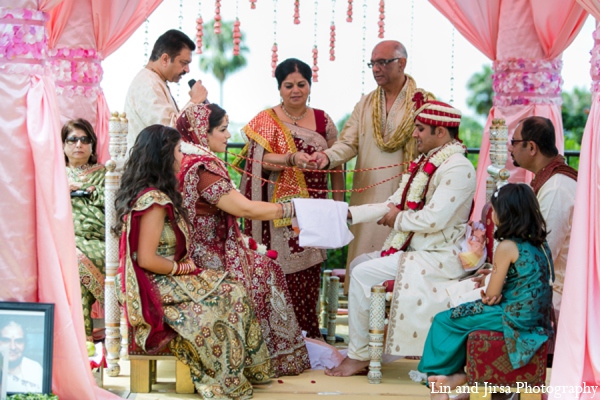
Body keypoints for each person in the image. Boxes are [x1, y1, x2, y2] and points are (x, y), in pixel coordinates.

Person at [115, 125, 272, 398]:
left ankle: (237, 371)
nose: (181, 157)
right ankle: (222, 376)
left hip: (162, 279)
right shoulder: (152, 201)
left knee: (230, 288)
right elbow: (147, 259)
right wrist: (182, 268)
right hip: (151, 286)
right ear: (164, 155)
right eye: (177, 151)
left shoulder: (154, 193)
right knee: (229, 294)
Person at [326, 93, 476, 377]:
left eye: (420, 129)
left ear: (440, 131)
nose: (414, 134)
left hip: (438, 255)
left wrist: (398, 218)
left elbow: (434, 219)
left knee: (362, 274)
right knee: (359, 264)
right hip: (419, 248)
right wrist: (348, 213)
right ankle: (373, 346)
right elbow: (391, 204)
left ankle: (359, 355)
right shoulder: (427, 162)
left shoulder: (458, 168)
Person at [176, 103, 310, 377]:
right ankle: (259, 360)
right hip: (204, 256)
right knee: (264, 271)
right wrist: (293, 209)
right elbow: (244, 209)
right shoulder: (202, 169)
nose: (228, 135)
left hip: (208, 247)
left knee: (263, 266)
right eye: (222, 129)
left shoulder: (189, 161)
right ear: (203, 132)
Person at [312, 40, 433, 293]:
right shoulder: (365, 104)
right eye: (373, 63)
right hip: (367, 196)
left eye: (383, 62)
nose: (376, 69)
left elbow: (434, 147)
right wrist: (327, 157)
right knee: (362, 269)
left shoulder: (423, 102)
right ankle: (362, 328)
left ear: (402, 63)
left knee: (397, 277)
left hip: (405, 197)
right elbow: (347, 143)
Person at [238, 58, 344, 339]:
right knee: (276, 267)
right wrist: (291, 158)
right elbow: (256, 159)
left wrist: (340, 203)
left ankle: (307, 333)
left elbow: (337, 162)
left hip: (315, 207)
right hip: (276, 210)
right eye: (289, 85)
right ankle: (275, 335)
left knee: (309, 268)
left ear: (309, 86)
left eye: (301, 84)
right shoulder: (266, 119)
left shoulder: (324, 120)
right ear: (279, 88)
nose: (295, 90)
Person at [418, 183, 554, 400]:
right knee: (465, 318)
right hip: (537, 317)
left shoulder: (507, 246)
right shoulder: (540, 244)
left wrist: (489, 293)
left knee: (445, 320)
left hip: (510, 317)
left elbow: (491, 295)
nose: (493, 214)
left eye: (496, 209)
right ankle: (457, 380)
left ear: (507, 213)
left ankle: (446, 380)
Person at [508, 116, 577, 320]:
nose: (510, 149)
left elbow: (542, 258)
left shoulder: (557, 188)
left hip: (556, 294)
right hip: (542, 283)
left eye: (514, 142)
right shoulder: (550, 179)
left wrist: (501, 275)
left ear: (531, 147)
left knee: (463, 301)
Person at [124, 29, 208, 150]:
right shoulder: (147, 84)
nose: (187, 70)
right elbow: (167, 134)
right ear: (165, 59)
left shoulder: (156, 80)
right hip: (146, 167)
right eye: (183, 63)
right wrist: (194, 101)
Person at [62, 119, 106, 342]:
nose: (78, 144)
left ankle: (82, 340)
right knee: (74, 263)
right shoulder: (55, 175)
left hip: (98, 240)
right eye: (72, 140)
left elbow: (114, 204)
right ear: (63, 145)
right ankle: (82, 341)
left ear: (92, 144)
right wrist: (61, 191)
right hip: (64, 239)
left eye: (84, 139)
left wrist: (91, 190)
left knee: (76, 263)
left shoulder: (105, 174)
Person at [0, 319, 43, 393]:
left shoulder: (35, 369)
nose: (13, 347)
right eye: (6, 340)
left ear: (25, 343)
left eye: (19, 341)